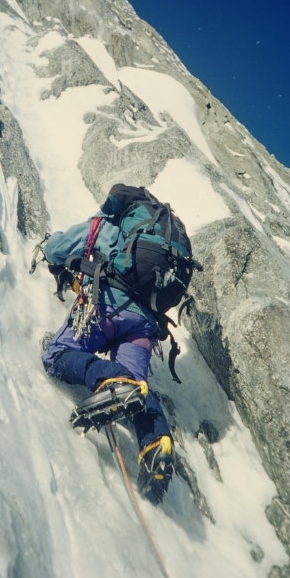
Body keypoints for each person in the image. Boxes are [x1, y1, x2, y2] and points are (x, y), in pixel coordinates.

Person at [41, 184, 186, 504]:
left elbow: (59, 249)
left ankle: (109, 380)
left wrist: (46, 247)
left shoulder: (107, 227)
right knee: (136, 384)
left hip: (107, 306)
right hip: (145, 325)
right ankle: (156, 445)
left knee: (58, 354)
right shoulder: (161, 244)